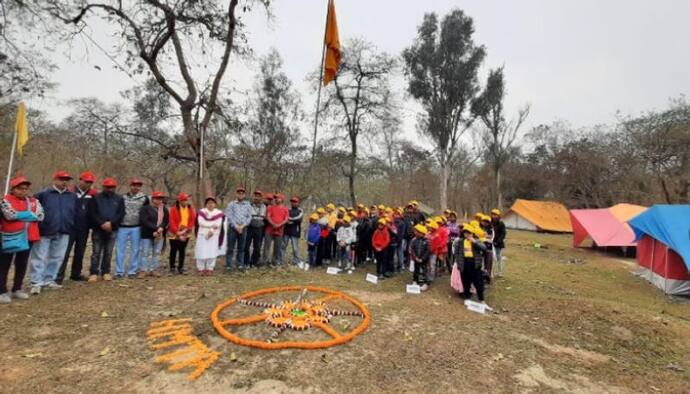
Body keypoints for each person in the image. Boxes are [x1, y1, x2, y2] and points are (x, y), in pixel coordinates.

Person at [29, 170, 78, 294]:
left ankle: (49, 279)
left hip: (64, 230)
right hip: (45, 230)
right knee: (39, 257)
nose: (64, 182)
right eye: (61, 179)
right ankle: (36, 282)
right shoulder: (43, 194)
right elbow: (34, 211)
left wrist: (71, 224)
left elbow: (75, 212)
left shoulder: (72, 196)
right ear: (55, 180)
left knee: (57, 257)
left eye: (66, 180)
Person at [0, 177, 43, 303]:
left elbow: (40, 216)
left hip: (28, 237)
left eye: (25, 189)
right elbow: (9, 215)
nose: (23, 191)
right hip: (9, 237)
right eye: (19, 188)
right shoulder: (5, 200)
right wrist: (29, 215)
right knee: (4, 265)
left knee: (22, 264)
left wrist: (19, 215)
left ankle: (17, 288)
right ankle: (2, 291)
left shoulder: (34, 201)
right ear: (13, 189)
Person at [57, 171, 97, 284]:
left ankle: (75, 274)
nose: (88, 184)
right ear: (80, 180)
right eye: (86, 181)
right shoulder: (70, 191)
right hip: (70, 227)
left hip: (84, 227)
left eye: (90, 182)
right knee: (65, 251)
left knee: (80, 252)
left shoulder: (93, 194)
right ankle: (59, 275)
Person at [87, 178, 125, 282]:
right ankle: (93, 272)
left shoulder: (119, 199)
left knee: (108, 252)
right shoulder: (95, 198)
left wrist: (111, 223)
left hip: (112, 229)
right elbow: (92, 213)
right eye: (108, 187)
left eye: (112, 187)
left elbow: (120, 213)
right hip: (98, 228)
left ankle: (106, 272)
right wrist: (101, 223)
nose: (110, 189)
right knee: (96, 252)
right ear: (104, 187)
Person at [115, 178, 148, 279]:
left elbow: (147, 211)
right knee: (120, 249)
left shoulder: (144, 198)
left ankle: (132, 271)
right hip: (122, 227)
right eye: (134, 185)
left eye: (138, 185)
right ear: (130, 186)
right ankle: (119, 272)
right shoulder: (122, 197)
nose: (136, 187)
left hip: (136, 227)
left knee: (135, 250)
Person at [138, 191, 169, 278]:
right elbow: (144, 221)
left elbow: (166, 221)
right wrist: (155, 228)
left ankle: (154, 269)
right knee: (145, 252)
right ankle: (143, 270)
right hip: (147, 234)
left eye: (160, 199)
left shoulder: (164, 209)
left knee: (156, 252)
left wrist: (161, 228)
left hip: (159, 234)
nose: (159, 200)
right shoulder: (145, 208)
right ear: (152, 199)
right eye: (157, 198)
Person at [455, 224, 487, 303]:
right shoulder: (460, 242)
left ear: (472, 233)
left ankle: (481, 299)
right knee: (466, 281)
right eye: (465, 233)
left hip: (475, 264)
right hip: (464, 263)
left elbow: (484, 248)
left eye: (469, 233)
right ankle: (467, 297)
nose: (467, 234)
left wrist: (474, 241)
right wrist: (459, 264)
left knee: (478, 282)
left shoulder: (476, 240)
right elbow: (457, 253)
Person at [195, 197, 226, 276]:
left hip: (213, 235)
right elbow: (201, 223)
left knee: (212, 252)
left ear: (215, 204)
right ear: (206, 204)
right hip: (202, 235)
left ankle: (210, 268)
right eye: (208, 203)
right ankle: (201, 268)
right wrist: (212, 225)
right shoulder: (202, 212)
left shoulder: (218, 213)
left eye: (212, 203)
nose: (210, 204)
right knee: (201, 251)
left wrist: (211, 230)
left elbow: (218, 224)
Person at [225, 186, 252, 272]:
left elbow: (249, 217)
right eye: (239, 193)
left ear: (244, 195)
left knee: (241, 248)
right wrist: (236, 226)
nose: (240, 195)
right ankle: (228, 265)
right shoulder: (231, 204)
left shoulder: (248, 205)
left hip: (243, 228)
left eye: (242, 193)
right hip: (233, 228)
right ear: (236, 194)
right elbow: (229, 216)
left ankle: (240, 264)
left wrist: (242, 226)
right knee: (230, 247)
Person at [168, 192, 196, 275]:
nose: (185, 202)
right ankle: (172, 267)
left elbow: (192, 220)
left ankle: (181, 267)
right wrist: (177, 233)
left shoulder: (190, 208)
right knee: (173, 250)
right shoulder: (173, 209)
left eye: (186, 200)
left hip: (185, 232)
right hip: (174, 232)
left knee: (182, 250)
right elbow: (171, 221)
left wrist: (187, 229)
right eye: (183, 200)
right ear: (179, 201)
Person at [263, 193, 289, 266]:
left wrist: (279, 225)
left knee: (277, 247)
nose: (276, 199)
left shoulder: (285, 209)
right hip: (269, 230)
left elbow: (286, 219)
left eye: (278, 198)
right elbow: (268, 216)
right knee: (266, 247)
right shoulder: (270, 207)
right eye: (276, 198)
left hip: (280, 231)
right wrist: (273, 224)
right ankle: (265, 261)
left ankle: (274, 262)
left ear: (282, 199)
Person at [244, 190, 266, 269]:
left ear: (261, 198)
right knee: (246, 246)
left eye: (258, 196)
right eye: (255, 196)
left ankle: (253, 263)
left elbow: (263, 217)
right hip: (249, 227)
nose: (256, 197)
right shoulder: (248, 205)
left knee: (257, 247)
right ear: (253, 197)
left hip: (259, 228)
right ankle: (246, 262)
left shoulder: (264, 206)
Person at [409, 224, 431, 292]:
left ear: (421, 233)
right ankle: (415, 281)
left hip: (424, 260)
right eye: (415, 231)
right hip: (416, 259)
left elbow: (427, 251)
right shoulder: (414, 240)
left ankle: (425, 283)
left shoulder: (427, 241)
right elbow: (412, 250)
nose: (415, 232)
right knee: (416, 271)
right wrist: (415, 258)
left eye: (417, 231)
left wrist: (422, 259)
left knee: (425, 271)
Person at [284, 196, 304, 265]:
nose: (293, 203)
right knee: (283, 246)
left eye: (295, 202)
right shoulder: (287, 209)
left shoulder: (300, 210)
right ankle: (281, 259)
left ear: (298, 203)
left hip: (295, 231)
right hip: (286, 231)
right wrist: (287, 220)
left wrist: (290, 220)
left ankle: (296, 261)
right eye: (292, 201)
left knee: (295, 248)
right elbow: (284, 216)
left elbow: (299, 219)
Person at [491, 209, 507, 278]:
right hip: (491, 243)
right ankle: (491, 272)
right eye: (493, 214)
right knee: (491, 258)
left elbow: (503, 233)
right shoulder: (490, 223)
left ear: (498, 216)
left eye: (495, 215)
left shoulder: (501, 223)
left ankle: (500, 272)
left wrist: (498, 241)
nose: (494, 216)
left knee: (499, 258)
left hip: (498, 244)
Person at [480, 214, 495, 284]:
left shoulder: (491, 230)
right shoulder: (479, 228)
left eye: (487, 221)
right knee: (481, 263)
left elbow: (490, 239)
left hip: (488, 248)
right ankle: (481, 276)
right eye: (484, 221)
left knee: (488, 264)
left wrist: (483, 238)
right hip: (480, 248)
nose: (485, 223)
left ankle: (487, 277)